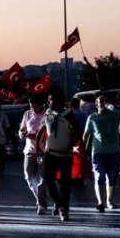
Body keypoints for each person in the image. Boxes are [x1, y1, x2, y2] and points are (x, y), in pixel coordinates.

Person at [37, 88, 81, 222]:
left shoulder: (69, 115)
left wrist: (71, 144)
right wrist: (39, 149)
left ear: (59, 101)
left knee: (65, 184)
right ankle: (58, 202)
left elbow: (79, 132)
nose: (49, 102)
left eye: (52, 99)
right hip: (50, 153)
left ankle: (64, 209)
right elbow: (41, 130)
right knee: (48, 181)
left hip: (65, 155)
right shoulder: (48, 114)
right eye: (49, 99)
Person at [83, 95, 120, 212]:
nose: (102, 103)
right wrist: (83, 150)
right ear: (96, 104)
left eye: (104, 101)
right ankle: (100, 202)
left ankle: (109, 201)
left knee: (112, 177)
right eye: (99, 101)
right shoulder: (92, 118)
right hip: (98, 151)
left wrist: (116, 107)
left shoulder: (114, 114)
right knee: (99, 176)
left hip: (113, 151)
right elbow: (86, 134)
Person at [18, 94, 48, 214]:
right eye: (31, 107)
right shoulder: (27, 114)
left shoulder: (47, 115)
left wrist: (37, 135)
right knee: (29, 177)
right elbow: (22, 129)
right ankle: (40, 200)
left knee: (42, 179)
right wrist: (22, 133)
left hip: (43, 151)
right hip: (29, 151)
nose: (33, 109)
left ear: (40, 105)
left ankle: (41, 204)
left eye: (35, 107)